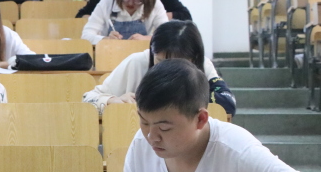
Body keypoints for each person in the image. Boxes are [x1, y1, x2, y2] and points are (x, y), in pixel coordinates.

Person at [35, 59, 321, 172]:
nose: (152, 136)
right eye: (144, 122)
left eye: (164, 127)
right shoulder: (142, 145)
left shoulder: (237, 150)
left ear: (200, 119)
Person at [83, 20, 236, 115]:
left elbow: (228, 104)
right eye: (161, 61)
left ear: (194, 59)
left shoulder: (202, 66)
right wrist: (113, 101)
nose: (167, 70)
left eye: (178, 63)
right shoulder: (137, 62)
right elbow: (88, 100)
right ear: (152, 52)